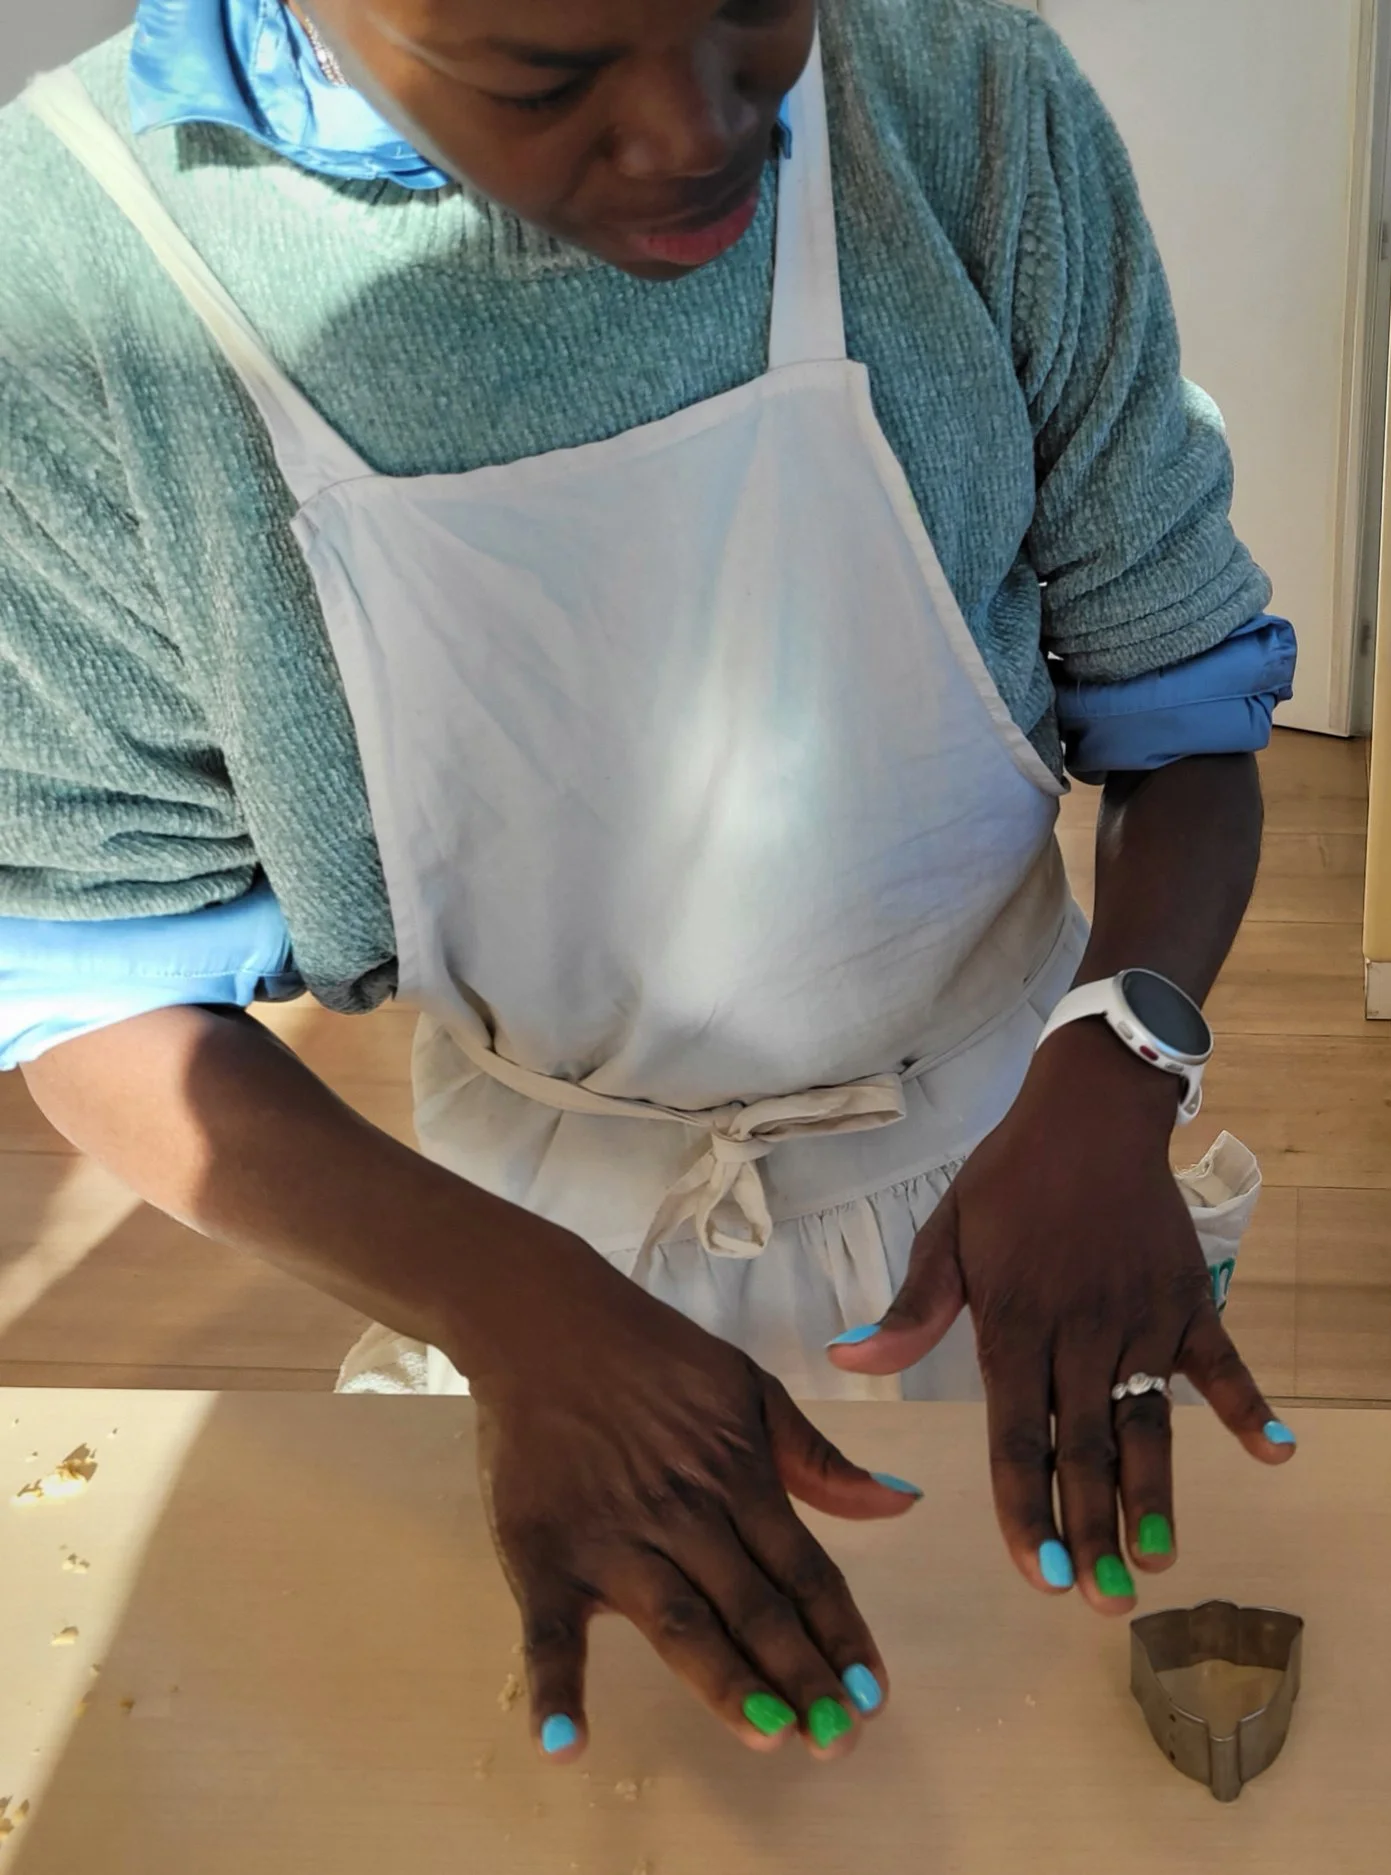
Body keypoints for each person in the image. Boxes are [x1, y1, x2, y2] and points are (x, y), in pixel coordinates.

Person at [0, 0, 1302, 1763]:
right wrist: (506, 1306)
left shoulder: (960, 98)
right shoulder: (90, 268)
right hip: (515, 1256)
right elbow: (95, 982)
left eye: (754, 7)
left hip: (1021, 1190)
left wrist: (1116, 1059)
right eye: (544, 76)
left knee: (1042, 1775)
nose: (698, 129)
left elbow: (1180, 709)